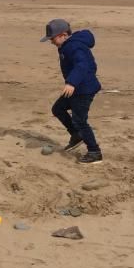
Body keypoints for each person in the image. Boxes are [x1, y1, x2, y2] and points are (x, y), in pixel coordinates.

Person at [41, 18, 103, 164]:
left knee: (80, 120)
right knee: (58, 109)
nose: (51, 42)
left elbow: (82, 64)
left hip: (84, 89)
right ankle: (76, 135)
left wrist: (71, 82)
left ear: (63, 35)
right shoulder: (66, 45)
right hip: (76, 89)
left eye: (53, 38)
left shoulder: (74, 46)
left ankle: (94, 151)